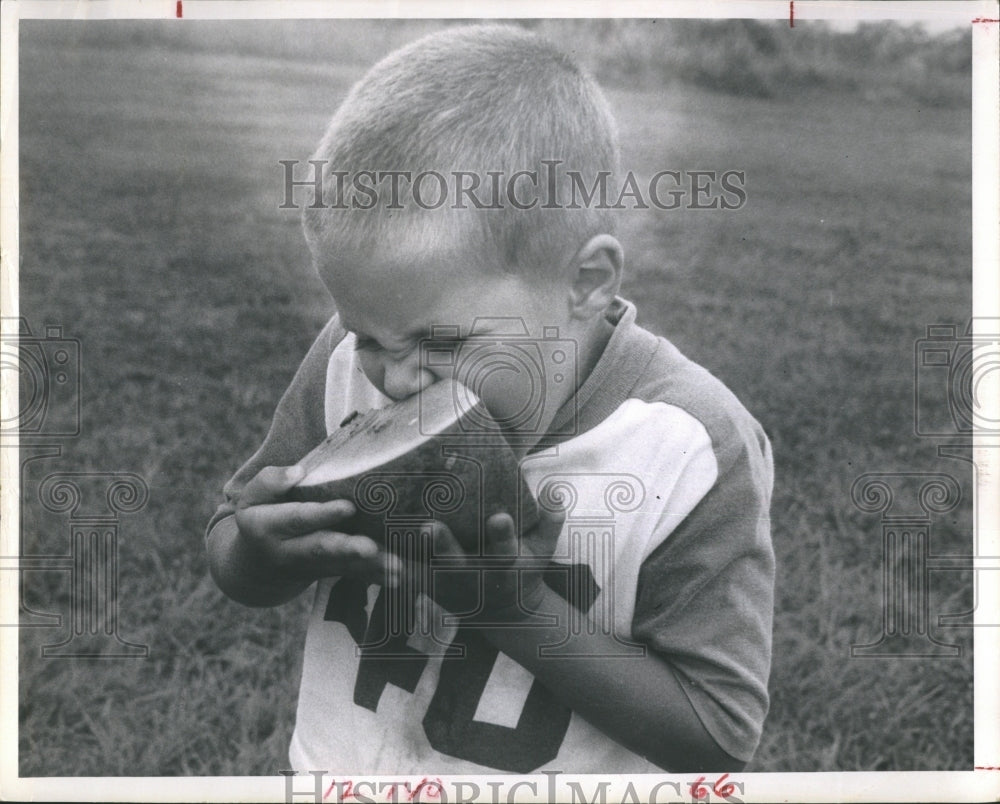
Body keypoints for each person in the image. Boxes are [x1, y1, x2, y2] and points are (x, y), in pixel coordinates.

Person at [206, 24, 774, 775]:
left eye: (441, 343)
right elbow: (233, 541)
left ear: (585, 283)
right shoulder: (345, 357)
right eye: (367, 335)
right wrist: (257, 552)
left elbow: (716, 732)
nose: (393, 381)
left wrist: (513, 611)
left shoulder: (691, 446)